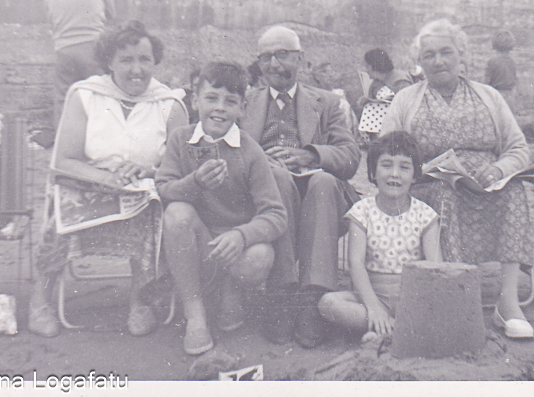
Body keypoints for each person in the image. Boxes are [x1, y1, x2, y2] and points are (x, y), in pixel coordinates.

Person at [28, 21, 188, 338]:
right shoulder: (86, 95)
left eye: (144, 59)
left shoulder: (170, 104)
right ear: (110, 62)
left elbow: (181, 166)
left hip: (144, 194)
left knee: (153, 213)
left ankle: (139, 302)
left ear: (155, 62)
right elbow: (64, 161)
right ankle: (40, 302)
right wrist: (106, 178)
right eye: (126, 60)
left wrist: (151, 172)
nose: (136, 69)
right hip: (88, 184)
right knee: (58, 217)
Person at [381, 18, 534, 339]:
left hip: (487, 184)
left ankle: (507, 303)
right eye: (429, 55)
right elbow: (387, 153)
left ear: (461, 55)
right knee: (445, 194)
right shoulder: (406, 99)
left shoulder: (490, 96)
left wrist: (498, 170)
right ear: (419, 63)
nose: (438, 61)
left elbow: (518, 149)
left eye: (446, 52)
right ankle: (458, 294)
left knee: (515, 190)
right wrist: (427, 171)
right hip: (429, 186)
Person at [156, 62, 294, 355]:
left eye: (230, 102)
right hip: (198, 246)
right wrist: (194, 182)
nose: (220, 108)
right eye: (211, 98)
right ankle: (196, 315)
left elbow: (276, 214)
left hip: (235, 250)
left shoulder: (250, 150)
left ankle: (232, 292)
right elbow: (164, 189)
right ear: (195, 101)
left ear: (242, 109)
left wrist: (242, 235)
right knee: (177, 214)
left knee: (260, 254)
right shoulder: (181, 139)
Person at [241, 25, 361, 347]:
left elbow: (351, 157)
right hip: (266, 193)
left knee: (322, 181)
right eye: (266, 57)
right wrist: (260, 164)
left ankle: (313, 297)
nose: (274, 64)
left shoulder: (326, 103)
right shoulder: (246, 102)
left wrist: (309, 154)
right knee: (276, 177)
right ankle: (281, 293)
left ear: (301, 60)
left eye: (282, 55)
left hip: (317, 194)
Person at [318, 131, 442, 341]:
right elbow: (355, 263)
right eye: (386, 165)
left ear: (415, 176)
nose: (394, 174)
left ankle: (385, 332)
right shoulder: (362, 211)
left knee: (441, 307)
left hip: (414, 297)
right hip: (372, 296)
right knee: (328, 304)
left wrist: (419, 303)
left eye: (404, 167)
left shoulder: (426, 215)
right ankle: (393, 329)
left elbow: (435, 266)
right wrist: (374, 307)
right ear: (373, 172)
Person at [43, 0, 116, 128]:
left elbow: (50, 20)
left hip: (63, 50)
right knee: (99, 96)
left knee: (64, 100)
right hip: (92, 47)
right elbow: (112, 13)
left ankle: (63, 147)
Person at [357, 49, 412, 144]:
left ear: (374, 66)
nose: (366, 70)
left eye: (367, 66)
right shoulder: (376, 83)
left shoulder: (400, 80)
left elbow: (408, 105)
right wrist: (366, 101)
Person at [485, 30, 518, 113]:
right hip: (510, 97)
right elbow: (514, 81)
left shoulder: (492, 62)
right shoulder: (512, 62)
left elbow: (486, 83)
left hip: (497, 97)